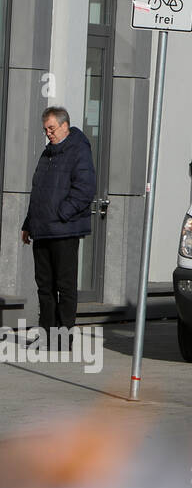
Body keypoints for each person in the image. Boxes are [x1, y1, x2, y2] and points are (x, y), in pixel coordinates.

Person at [21, 106, 96, 343]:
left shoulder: (78, 150)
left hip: (64, 230)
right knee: (44, 285)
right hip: (42, 229)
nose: (48, 133)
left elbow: (85, 189)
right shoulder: (48, 153)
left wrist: (61, 213)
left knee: (64, 285)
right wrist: (28, 223)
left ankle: (63, 338)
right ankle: (46, 335)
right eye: (45, 129)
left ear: (65, 126)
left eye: (51, 128)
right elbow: (39, 192)